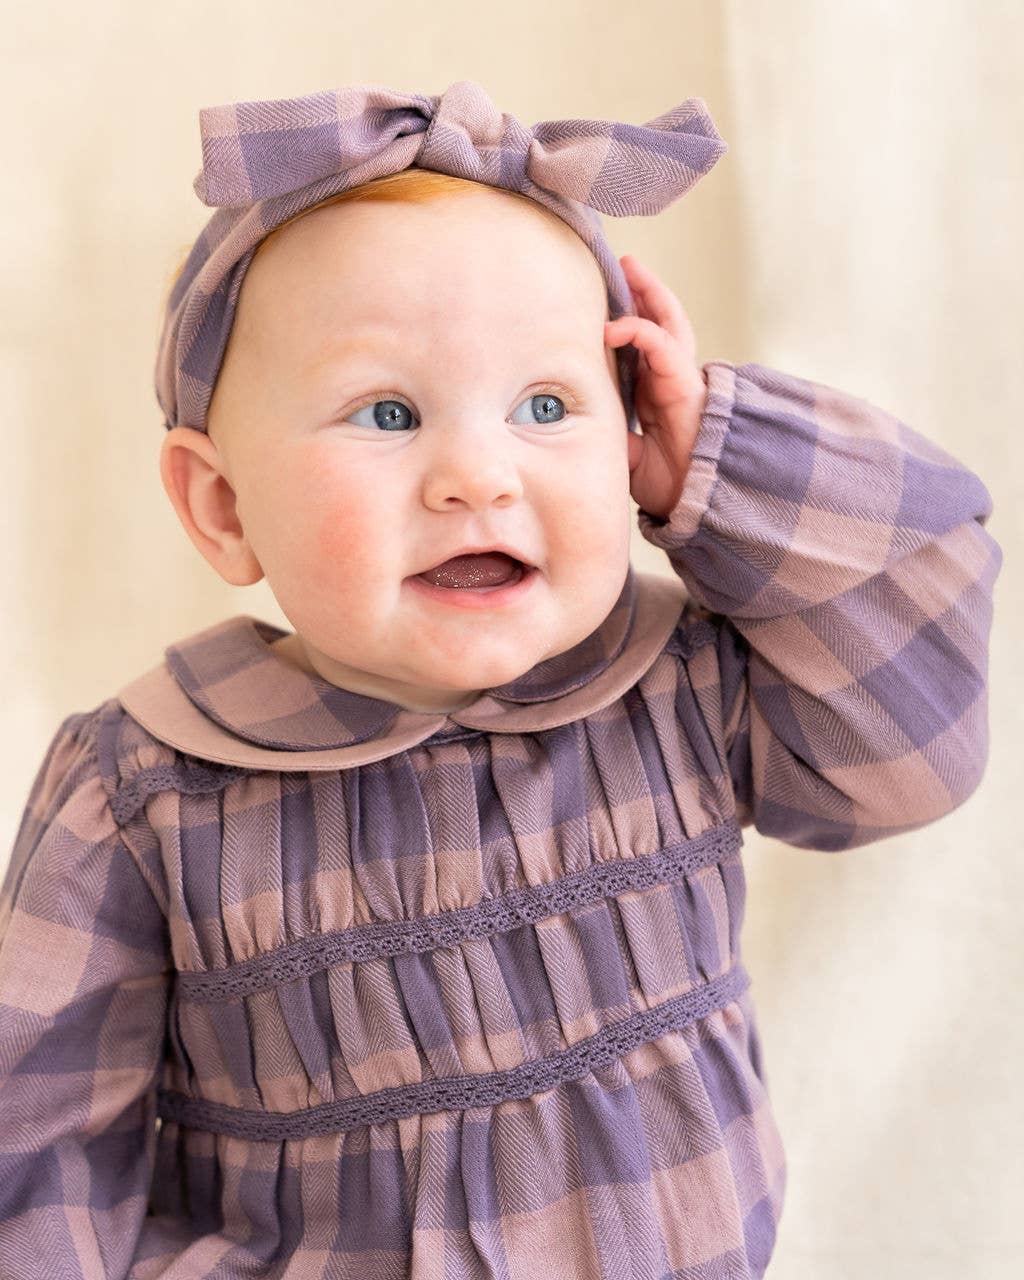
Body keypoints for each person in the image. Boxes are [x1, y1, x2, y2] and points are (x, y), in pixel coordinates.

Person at [0, 81, 1002, 1279]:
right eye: (386, 411)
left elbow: (914, 748)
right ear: (222, 503)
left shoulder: (675, 687)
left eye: (545, 404)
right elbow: (39, 1155)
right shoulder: (150, 793)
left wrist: (726, 462)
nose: (477, 473)